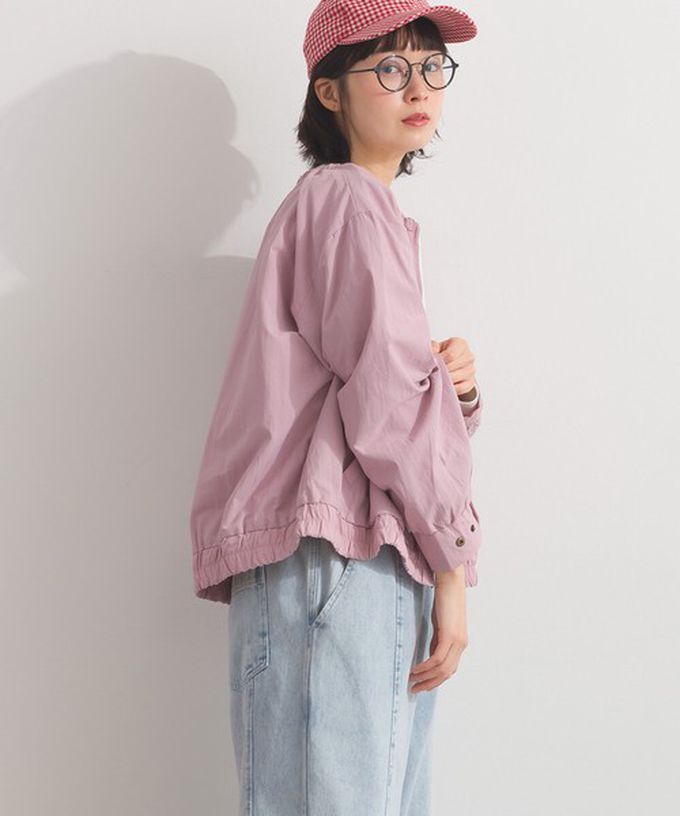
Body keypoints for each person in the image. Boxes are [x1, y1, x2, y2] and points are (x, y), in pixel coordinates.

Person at [189, 1, 485, 813]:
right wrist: (454, 567)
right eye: (389, 67)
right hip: (343, 564)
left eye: (431, 66)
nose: (417, 86)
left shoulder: (347, 210)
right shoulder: (348, 201)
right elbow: (387, 411)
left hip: (339, 559)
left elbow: (375, 389)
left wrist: (451, 388)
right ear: (330, 92)